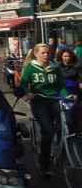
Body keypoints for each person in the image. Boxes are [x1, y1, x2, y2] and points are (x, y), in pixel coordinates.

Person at [19, 43, 69, 177]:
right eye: (43, 53)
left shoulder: (55, 68)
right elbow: (23, 84)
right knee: (48, 131)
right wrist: (28, 93)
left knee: (67, 122)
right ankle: (44, 162)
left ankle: (63, 149)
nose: (46, 55)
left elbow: (61, 86)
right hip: (39, 102)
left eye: (48, 53)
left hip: (53, 101)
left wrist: (66, 96)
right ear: (36, 54)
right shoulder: (30, 68)